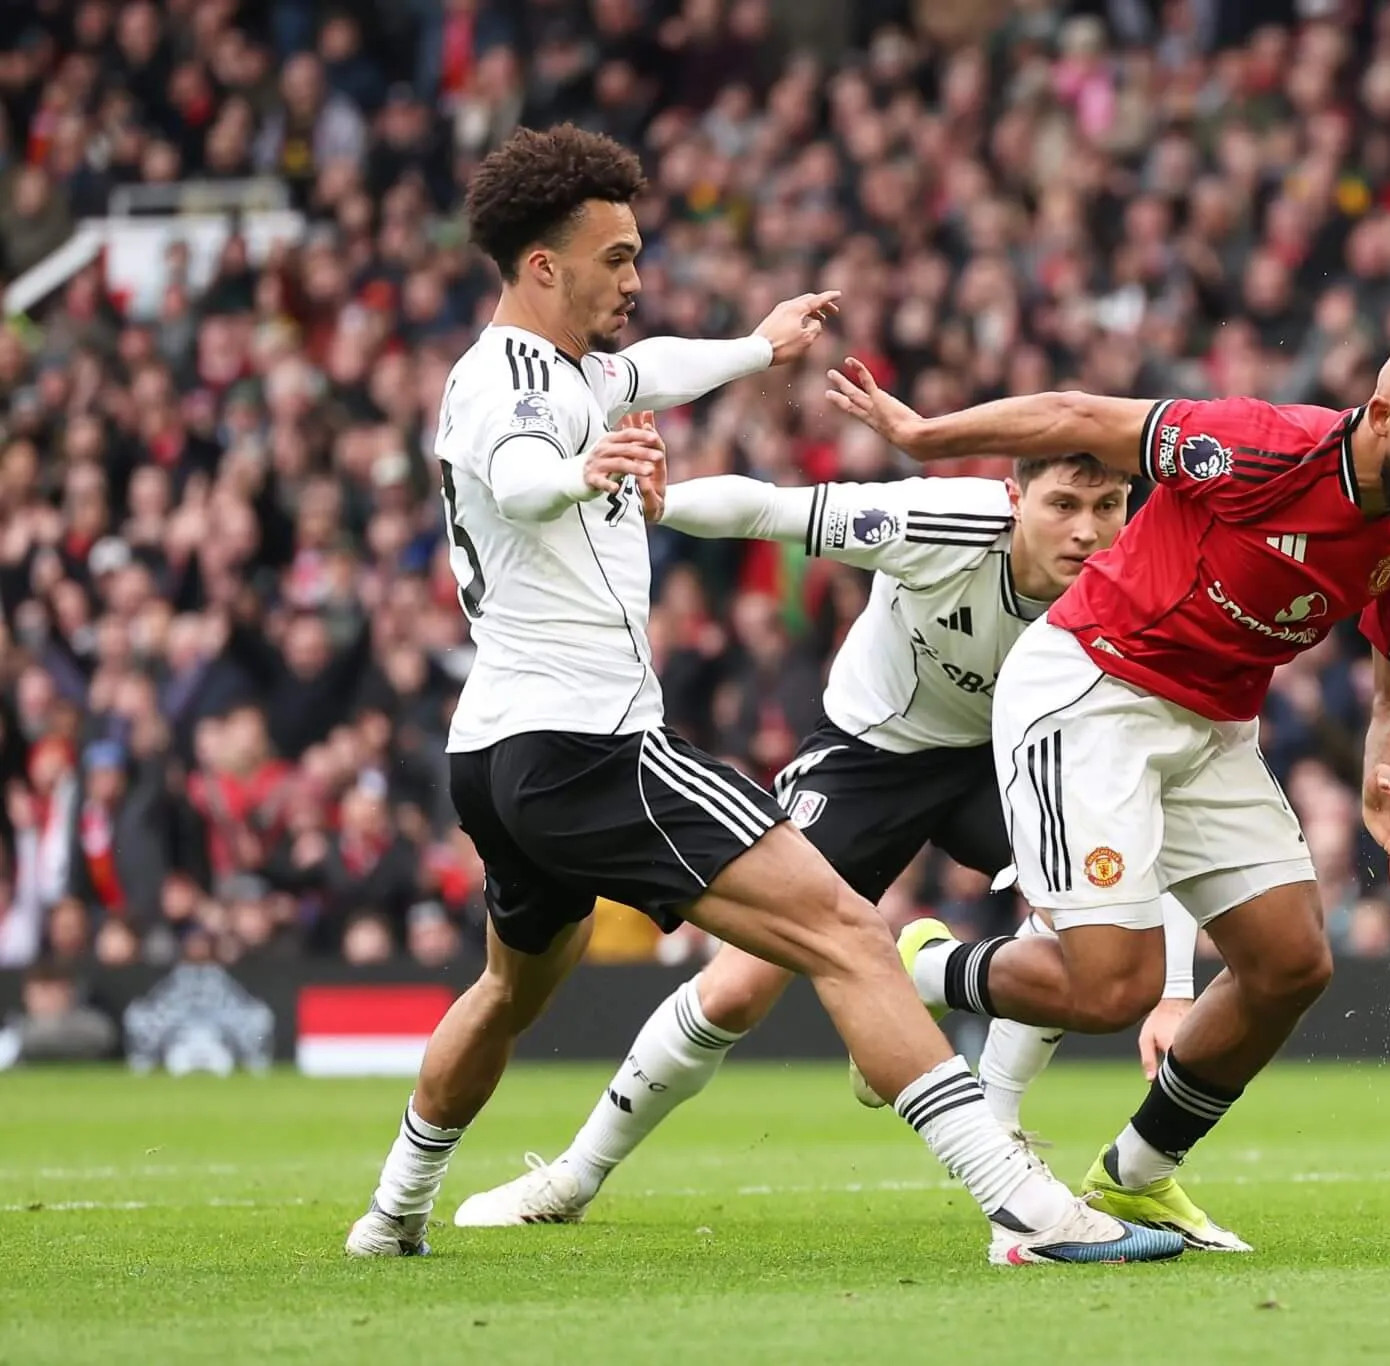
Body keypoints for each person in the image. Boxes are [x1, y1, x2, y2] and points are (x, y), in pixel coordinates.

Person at [344, 125, 1181, 1268]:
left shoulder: (571, 370)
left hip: (494, 751)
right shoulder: (512, 384)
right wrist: (579, 473)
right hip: (592, 744)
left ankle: (392, 1211)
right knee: (847, 933)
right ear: (542, 266)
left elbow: (655, 369)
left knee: (506, 987)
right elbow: (520, 470)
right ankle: (1030, 1207)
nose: (634, 280)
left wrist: (759, 346)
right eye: (616, 259)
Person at [824, 326, 1390, 1239]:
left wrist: (1384, 775)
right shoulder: (1263, 448)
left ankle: (1136, 1177)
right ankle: (925, 970)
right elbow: (1077, 415)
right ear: (1382, 416)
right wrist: (924, 435)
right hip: (1093, 692)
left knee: (1291, 965)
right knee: (1112, 991)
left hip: (1211, 728)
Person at [451, 455, 1228, 1241]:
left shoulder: (1144, 585)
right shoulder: (943, 524)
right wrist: (666, 503)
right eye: (1063, 504)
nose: (1088, 530)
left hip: (1011, 762)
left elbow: (1152, 807)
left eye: (1108, 505)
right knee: (738, 989)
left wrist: (1172, 991)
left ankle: (998, 1128)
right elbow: (770, 510)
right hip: (871, 755)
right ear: (1014, 499)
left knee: (1089, 923)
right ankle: (575, 1175)